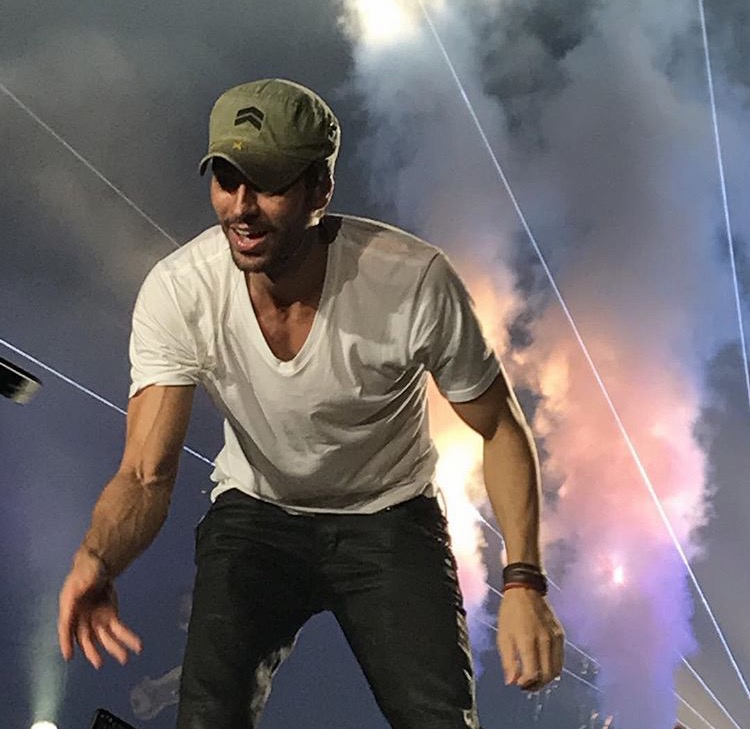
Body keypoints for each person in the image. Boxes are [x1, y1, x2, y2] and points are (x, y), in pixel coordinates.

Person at [58, 78, 564, 729]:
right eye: (227, 179)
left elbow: (499, 428)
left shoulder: (412, 282)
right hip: (256, 515)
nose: (241, 208)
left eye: (268, 184)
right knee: (206, 717)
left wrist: (524, 581)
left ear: (319, 189)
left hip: (389, 517)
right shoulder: (180, 291)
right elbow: (143, 473)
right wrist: (97, 558)